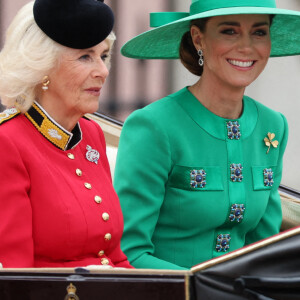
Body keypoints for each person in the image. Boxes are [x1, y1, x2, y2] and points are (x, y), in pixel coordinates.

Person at [114, 0, 300, 270]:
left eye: (259, 32)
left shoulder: (273, 126)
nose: (247, 47)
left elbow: (265, 250)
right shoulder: (153, 126)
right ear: (198, 39)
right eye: (229, 31)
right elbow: (128, 254)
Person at [0, 0, 132, 269]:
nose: (103, 71)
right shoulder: (7, 142)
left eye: (103, 56)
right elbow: (16, 276)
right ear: (44, 66)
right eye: (86, 56)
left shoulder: (91, 133)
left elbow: (115, 258)